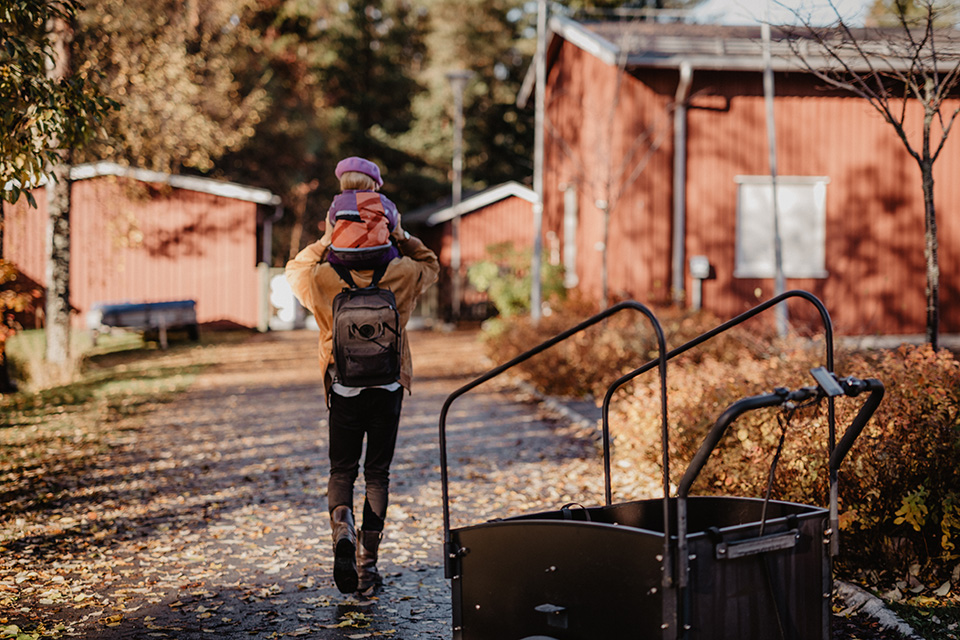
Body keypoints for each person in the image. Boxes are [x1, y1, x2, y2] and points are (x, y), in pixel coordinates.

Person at [285, 157, 439, 596]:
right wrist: (401, 235)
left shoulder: (322, 278)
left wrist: (326, 239)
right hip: (388, 385)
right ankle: (368, 568)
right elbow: (431, 265)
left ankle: (341, 535)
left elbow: (293, 270)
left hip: (343, 384)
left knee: (341, 469)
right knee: (377, 475)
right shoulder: (403, 272)